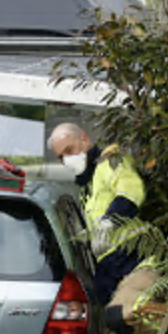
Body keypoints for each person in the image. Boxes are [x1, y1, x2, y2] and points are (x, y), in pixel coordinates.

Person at [47, 123, 144, 306]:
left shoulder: (111, 161)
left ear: (85, 139)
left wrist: (110, 221)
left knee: (127, 318)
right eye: (61, 157)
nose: (67, 159)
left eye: (70, 150)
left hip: (132, 255)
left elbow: (131, 192)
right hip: (109, 262)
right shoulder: (87, 185)